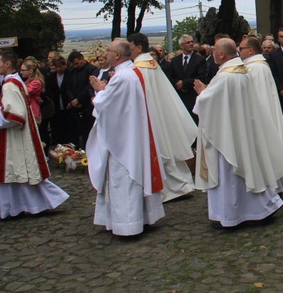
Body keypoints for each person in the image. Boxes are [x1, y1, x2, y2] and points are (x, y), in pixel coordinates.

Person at [192, 38, 283, 228]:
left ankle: (234, 214)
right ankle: (262, 207)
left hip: (228, 135)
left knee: (233, 174)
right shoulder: (241, 70)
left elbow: (209, 103)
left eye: (215, 50)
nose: (213, 53)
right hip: (240, 131)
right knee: (249, 170)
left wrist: (203, 94)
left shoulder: (225, 76)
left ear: (222, 54)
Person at [86, 39, 166, 236]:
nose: (106, 53)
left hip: (122, 141)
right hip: (130, 133)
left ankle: (128, 224)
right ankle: (141, 218)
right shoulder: (130, 73)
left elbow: (106, 105)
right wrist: (106, 91)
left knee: (123, 180)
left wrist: (99, 93)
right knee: (132, 178)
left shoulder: (122, 77)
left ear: (118, 55)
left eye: (109, 50)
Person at [0, 51, 69, 222]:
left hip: (13, 137)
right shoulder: (16, 81)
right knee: (19, 174)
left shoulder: (10, 85)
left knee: (15, 173)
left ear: (7, 64)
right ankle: (29, 206)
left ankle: (18, 208)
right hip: (17, 135)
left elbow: (15, 116)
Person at [127, 33, 197, 202]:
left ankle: (170, 188)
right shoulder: (152, 64)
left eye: (130, 46)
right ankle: (182, 185)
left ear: (138, 47)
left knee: (160, 149)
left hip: (150, 114)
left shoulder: (139, 68)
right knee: (169, 147)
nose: (128, 50)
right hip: (163, 111)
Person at [239, 36, 283, 193]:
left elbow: (256, 97)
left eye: (241, 48)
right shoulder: (257, 65)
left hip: (262, 117)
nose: (239, 51)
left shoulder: (255, 68)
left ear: (250, 50)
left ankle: (271, 185)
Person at [169, 34, 208, 123]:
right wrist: (177, 84)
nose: (191, 44)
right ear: (182, 45)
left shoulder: (199, 59)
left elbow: (201, 78)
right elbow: (170, 77)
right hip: (179, 98)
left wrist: (184, 83)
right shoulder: (175, 60)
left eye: (192, 42)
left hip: (192, 97)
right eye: (188, 42)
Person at [66, 51, 98, 148]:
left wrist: (79, 100)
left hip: (86, 106)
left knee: (88, 133)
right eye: (74, 64)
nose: (76, 66)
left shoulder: (92, 69)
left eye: (77, 63)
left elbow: (89, 86)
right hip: (75, 106)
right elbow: (68, 87)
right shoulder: (72, 71)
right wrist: (72, 101)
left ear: (82, 58)